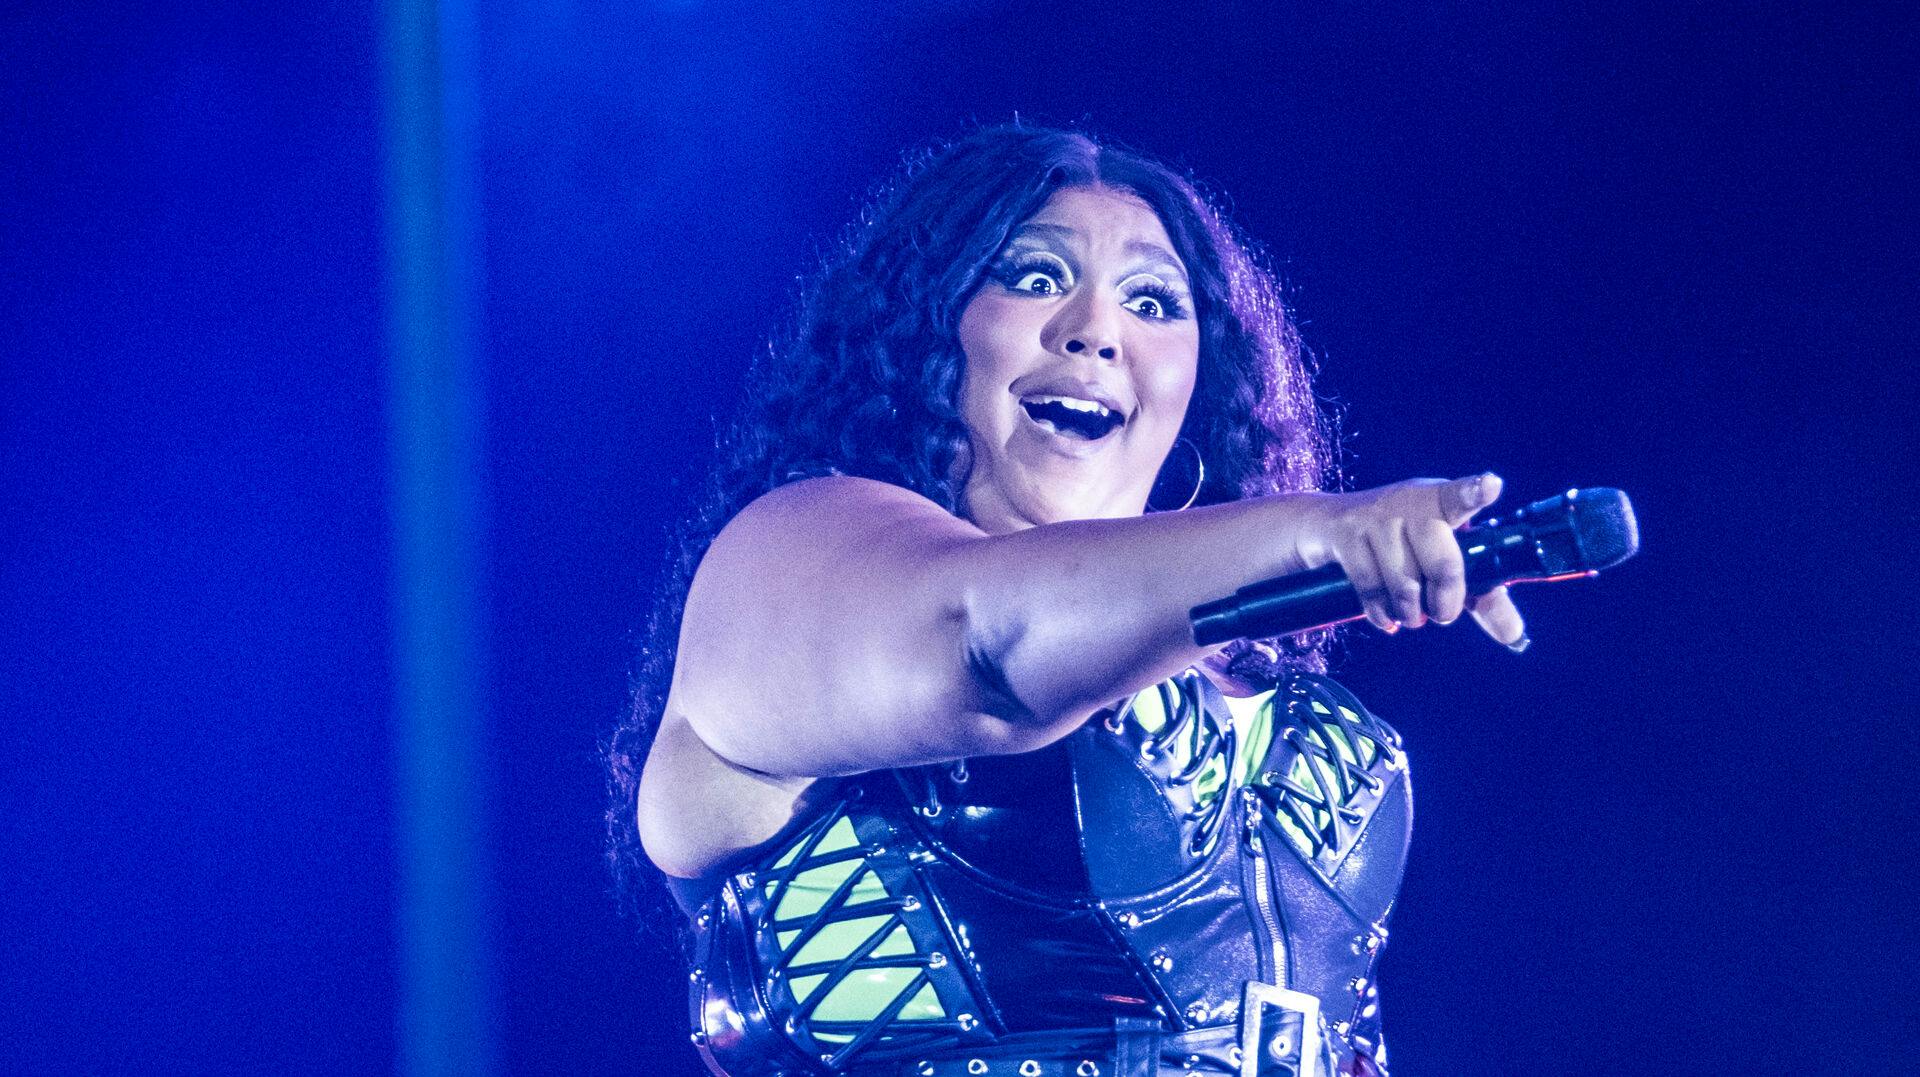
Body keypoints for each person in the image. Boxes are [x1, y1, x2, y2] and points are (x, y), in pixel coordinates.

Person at [608, 124, 1525, 1077]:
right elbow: (987, 651)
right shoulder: (783, 560)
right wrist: (1312, 530)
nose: (1096, 330)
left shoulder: (1318, 737)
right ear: (929, 331)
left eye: (1153, 301)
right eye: (1036, 278)